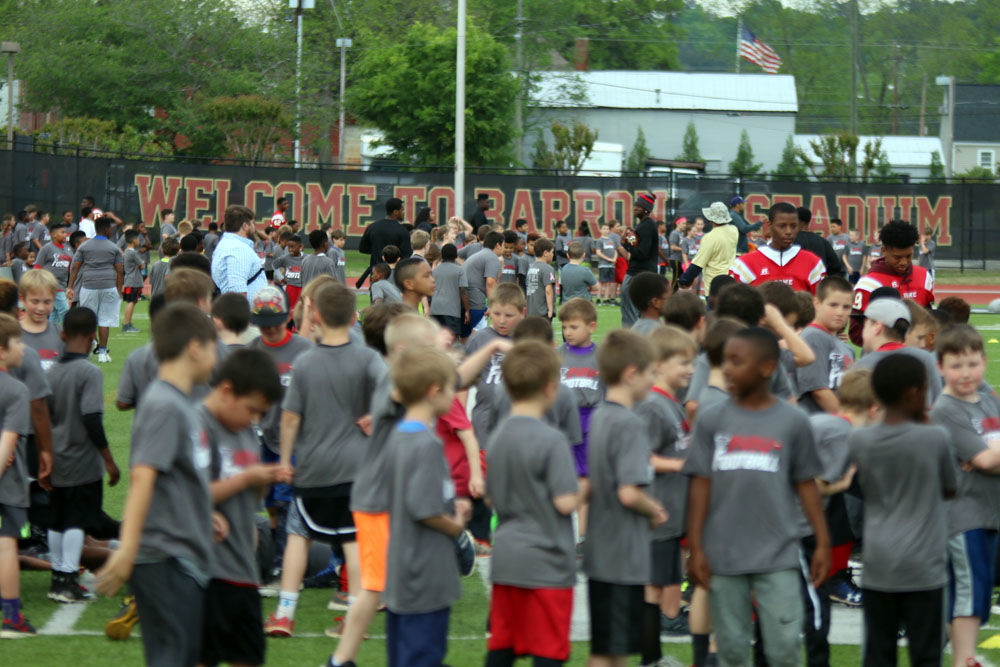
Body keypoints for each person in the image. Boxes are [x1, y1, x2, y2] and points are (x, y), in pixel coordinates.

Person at [685, 327, 830, 667]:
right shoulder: (711, 419)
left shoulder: (793, 420)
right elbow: (700, 485)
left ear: (767, 368)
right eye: (725, 362)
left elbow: (806, 483)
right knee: (732, 649)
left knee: (783, 649)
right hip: (725, 555)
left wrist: (822, 540)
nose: (729, 369)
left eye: (738, 361)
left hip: (778, 554)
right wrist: (696, 547)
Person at [94, 302, 219, 666]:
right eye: (213, 346)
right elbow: (143, 478)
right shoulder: (164, 405)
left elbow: (175, 478)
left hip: (182, 552)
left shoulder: (180, 404)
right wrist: (128, 551)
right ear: (195, 348)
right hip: (165, 557)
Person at [264, 281, 386, 638]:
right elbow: (392, 392)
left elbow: (290, 418)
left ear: (314, 314)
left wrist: (285, 459)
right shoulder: (368, 358)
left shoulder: (305, 362)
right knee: (354, 543)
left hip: (312, 469)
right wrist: (375, 416)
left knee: (298, 537)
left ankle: (284, 613)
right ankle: (355, 618)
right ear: (353, 317)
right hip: (356, 469)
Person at [849, 353, 956, 667]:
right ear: (913, 392)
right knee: (925, 653)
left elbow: (859, 485)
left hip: (879, 562)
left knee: (879, 652)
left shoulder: (861, 439)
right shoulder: (934, 437)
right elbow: (950, 488)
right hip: (924, 565)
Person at [485, 340, 579, 667]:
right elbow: (566, 502)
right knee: (548, 648)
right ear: (551, 387)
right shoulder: (552, 439)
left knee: (503, 643)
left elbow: (491, 496)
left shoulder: (497, 437)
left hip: (508, 556)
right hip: (548, 559)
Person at [584, 329, 666, 667]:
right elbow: (629, 492)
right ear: (632, 374)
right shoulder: (630, 424)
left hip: (602, 548)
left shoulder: (602, 415)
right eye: (650, 373)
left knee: (612, 648)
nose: (653, 380)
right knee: (608, 652)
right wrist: (655, 510)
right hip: (621, 555)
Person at [381, 345, 467, 667]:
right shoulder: (427, 444)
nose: (455, 396)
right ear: (434, 392)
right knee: (424, 657)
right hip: (425, 576)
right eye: (452, 388)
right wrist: (456, 525)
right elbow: (425, 508)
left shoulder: (395, 435)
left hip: (401, 570)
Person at [199, 349, 282, 667]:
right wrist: (247, 478)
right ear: (227, 391)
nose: (255, 419)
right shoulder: (198, 426)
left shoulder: (246, 430)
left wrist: (261, 482)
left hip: (242, 568)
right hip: (206, 573)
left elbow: (249, 496)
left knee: (249, 655)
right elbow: (187, 494)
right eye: (252, 410)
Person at [928, 325, 1000, 667]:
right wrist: (986, 454)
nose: (966, 373)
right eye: (956, 366)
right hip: (963, 517)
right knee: (967, 596)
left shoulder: (985, 394)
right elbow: (985, 459)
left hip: (989, 512)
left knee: (976, 595)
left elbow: (989, 457)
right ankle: (964, 660)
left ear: (984, 362)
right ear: (940, 367)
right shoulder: (945, 408)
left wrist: (989, 452)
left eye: (972, 364)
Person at [45, 307, 119, 603]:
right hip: (81, 460)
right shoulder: (89, 372)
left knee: (57, 519)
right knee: (77, 520)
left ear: (62, 335)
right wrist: (108, 459)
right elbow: (91, 418)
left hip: (56, 456)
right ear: (92, 337)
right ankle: (68, 581)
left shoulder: (51, 371)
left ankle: (57, 577)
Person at [635, 326, 697, 640]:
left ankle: (668, 612)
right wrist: (679, 463)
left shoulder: (670, 402)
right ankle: (664, 617)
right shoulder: (652, 406)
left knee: (672, 564)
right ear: (658, 364)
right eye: (683, 363)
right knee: (659, 569)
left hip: (673, 504)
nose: (691, 370)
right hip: (659, 504)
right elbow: (640, 456)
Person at [557, 298, 602, 540]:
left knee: (586, 479)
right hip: (563, 424)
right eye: (565, 327)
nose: (568, 333)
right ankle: (560, 532)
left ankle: (583, 535)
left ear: (591, 326)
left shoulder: (602, 357)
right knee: (561, 479)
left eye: (574, 327)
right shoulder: (557, 356)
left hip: (591, 424)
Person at [849, 219, 933, 346]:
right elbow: (855, 333)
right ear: (884, 251)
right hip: (882, 359)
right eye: (897, 257)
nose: (904, 262)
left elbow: (928, 321)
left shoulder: (924, 276)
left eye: (909, 256)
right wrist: (890, 342)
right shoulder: (868, 284)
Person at [0, 313, 33, 637]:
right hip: (6, 485)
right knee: (6, 544)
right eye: (18, 342)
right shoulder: (15, 390)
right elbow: (7, 444)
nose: (24, 347)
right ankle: (12, 616)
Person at [854, 297, 943, 407]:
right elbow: (938, 404)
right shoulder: (925, 358)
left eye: (865, 325)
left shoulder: (863, 365)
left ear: (877, 327)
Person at [729, 202, 826, 293]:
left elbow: (819, 305)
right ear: (770, 225)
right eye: (782, 226)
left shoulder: (813, 263)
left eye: (793, 226)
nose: (789, 231)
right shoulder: (743, 265)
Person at [795, 276, 856, 414]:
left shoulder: (846, 347)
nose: (840, 312)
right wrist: (849, 419)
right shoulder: (813, 336)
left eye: (846, 307)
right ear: (817, 303)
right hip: (818, 424)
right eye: (833, 305)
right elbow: (818, 391)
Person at [66, 216, 123, 363]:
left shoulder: (84, 246)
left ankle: (88, 349)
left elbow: (75, 268)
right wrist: (119, 290)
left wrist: (70, 287)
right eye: (110, 228)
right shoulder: (114, 247)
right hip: (108, 286)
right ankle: (103, 353)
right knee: (105, 320)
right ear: (107, 229)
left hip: (88, 286)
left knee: (88, 319)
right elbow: (119, 270)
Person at [677, 202, 738, 296]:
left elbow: (698, 264)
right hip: (731, 279)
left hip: (714, 284)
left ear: (711, 219)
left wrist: (684, 280)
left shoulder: (710, 237)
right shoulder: (734, 230)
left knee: (713, 310)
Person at [211, 205, 267, 302]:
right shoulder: (238, 249)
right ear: (245, 226)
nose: (254, 227)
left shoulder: (228, 244)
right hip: (245, 314)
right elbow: (237, 294)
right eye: (252, 223)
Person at [621, 193, 660, 328]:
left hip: (637, 273)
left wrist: (626, 244)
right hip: (644, 273)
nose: (635, 208)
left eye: (638, 206)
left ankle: (629, 339)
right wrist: (630, 239)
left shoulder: (646, 226)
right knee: (644, 310)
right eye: (635, 206)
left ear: (646, 209)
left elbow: (642, 253)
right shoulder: (645, 225)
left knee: (629, 310)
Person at [357, 198, 412, 288]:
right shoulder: (402, 231)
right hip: (394, 276)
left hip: (376, 274)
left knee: (376, 300)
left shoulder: (373, 227)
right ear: (395, 212)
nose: (404, 212)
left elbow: (363, 249)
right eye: (402, 209)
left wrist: (377, 251)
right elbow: (406, 256)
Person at [18, 269, 63, 372]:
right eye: (35, 302)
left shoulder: (61, 334)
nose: (41, 308)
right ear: (22, 299)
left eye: (47, 302)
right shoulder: (11, 334)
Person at [33, 220, 73, 325]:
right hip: (51, 286)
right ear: (54, 235)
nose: (65, 235)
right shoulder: (47, 248)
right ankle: (68, 335)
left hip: (63, 285)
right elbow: (37, 268)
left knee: (54, 314)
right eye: (62, 232)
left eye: (66, 232)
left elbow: (70, 268)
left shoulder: (68, 248)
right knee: (65, 310)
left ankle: (48, 336)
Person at [463, 231, 504, 331]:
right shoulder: (492, 257)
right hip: (475, 302)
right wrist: (491, 305)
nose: (503, 248)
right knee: (478, 339)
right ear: (498, 245)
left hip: (466, 301)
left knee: (466, 338)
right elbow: (490, 283)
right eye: (503, 245)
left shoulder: (478, 255)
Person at [430, 244, 469, 338]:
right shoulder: (460, 270)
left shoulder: (435, 271)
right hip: (451, 310)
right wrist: (467, 310)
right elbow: (463, 291)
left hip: (435, 308)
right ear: (456, 255)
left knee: (437, 338)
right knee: (451, 339)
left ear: (442, 255)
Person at [795, 208, 845, 278]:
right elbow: (835, 266)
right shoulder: (822, 240)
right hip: (818, 284)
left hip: (798, 283)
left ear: (799, 221)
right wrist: (822, 273)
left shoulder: (790, 240)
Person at [627, 272, 670, 336]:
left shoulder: (653, 324)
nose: (672, 301)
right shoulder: (654, 331)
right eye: (669, 297)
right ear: (656, 302)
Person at [122, 230, 146, 333]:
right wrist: (141, 263)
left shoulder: (127, 251)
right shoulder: (133, 252)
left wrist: (139, 264)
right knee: (132, 302)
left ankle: (127, 324)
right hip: (134, 281)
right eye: (138, 239)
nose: (139, 241)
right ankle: (126, 325)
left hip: (129, 280)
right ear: (134, 240)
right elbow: (142, 265)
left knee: (130, 302)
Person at [526, 238, 556, 320]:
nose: (553, 255)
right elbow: (548, 290)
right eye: (552, 252)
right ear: (545, 253)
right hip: (542, 312)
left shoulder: (531, 267)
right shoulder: (548, 269)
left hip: (531, 311)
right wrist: (550, 310)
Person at [595, 223, 618, 305]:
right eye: (604, 228)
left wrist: (614, 259)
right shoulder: (600, 240)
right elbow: (598, 252)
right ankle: (598, 299)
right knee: (601, 282)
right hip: (603, 264)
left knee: (609, 282)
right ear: (600, 230)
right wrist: (609, 259)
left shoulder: (611, 240)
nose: (605, 230)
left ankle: (606, 299)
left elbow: (615, 251)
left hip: (611, 265)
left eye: (607, 229)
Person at [667, 217, 688, 292]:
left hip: (680, 259)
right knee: (676, 278)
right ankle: (671, 295)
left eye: (686, 223)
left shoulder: (682, 233)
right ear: (677, 224)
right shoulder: (674, 233)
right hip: (675, 259)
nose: (685, 225)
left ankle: (678, 294)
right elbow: (672, 247)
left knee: (680, 278)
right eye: (683, 223)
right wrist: (684, 249)